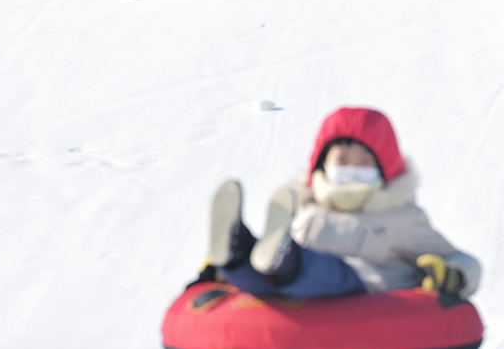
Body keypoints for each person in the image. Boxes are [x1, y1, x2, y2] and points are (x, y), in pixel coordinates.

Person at [206, 107, 481, 300]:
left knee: (325, 271)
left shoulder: (401, 217)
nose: (352, 169)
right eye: (341, 161)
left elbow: (461, 259)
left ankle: (282, 259)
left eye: (364, 162)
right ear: (322, 166)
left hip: (360, 286)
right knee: (260, 276)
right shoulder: (306, 207)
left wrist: (454, 274)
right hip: (293, 290)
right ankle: (234, 253)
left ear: (385, 169)